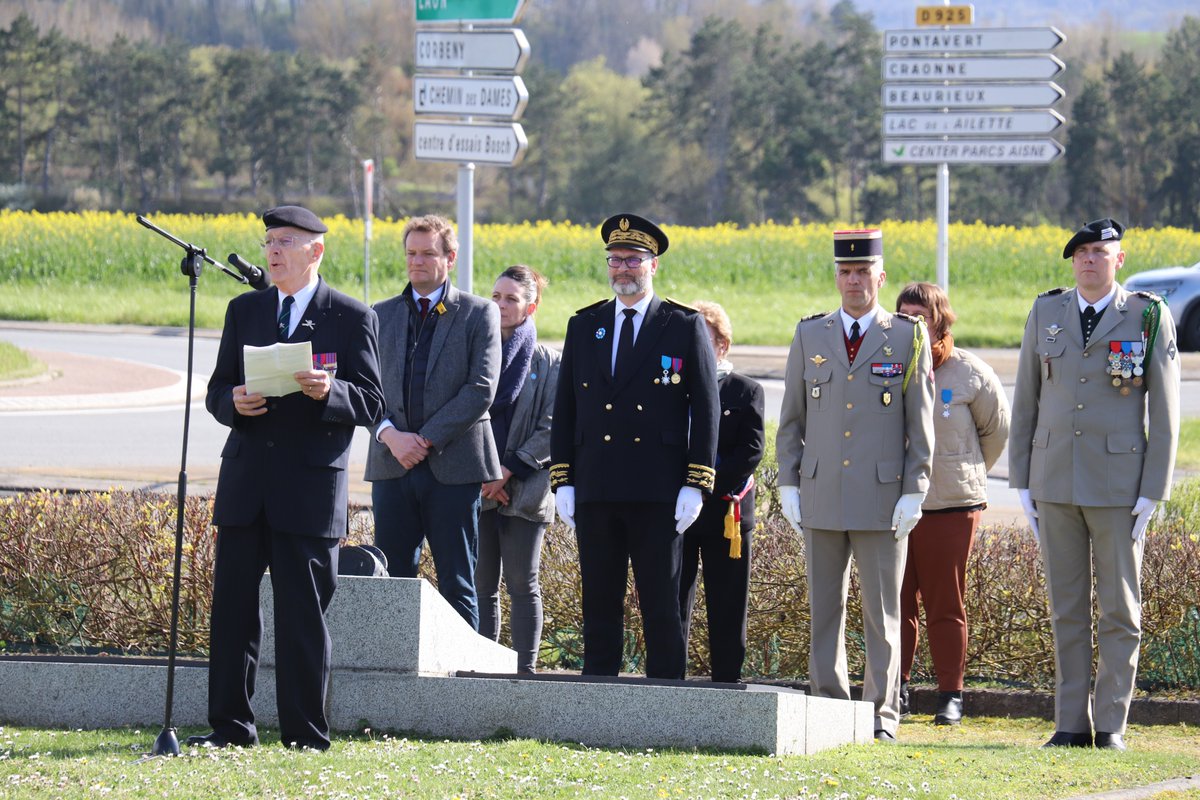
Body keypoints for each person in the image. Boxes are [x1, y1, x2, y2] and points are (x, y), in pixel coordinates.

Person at [195, 205, 385, 750]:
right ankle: (230, 728)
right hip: (246, 485)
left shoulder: (350, 316)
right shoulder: (245, 310)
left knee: (302, 615)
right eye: (269, 241)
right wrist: (231, 402)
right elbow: (216, 389)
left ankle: (305, 734)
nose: (273, 251)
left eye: (285, 242)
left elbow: (373, 402)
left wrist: (331, 391)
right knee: (233, 612)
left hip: (308, 489)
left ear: (315, 251)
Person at [1009, 218, 1180, 751]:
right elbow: (1026, 399)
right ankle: (1069, 723)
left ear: (1119, 259)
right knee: (1065, 607)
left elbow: (1166, 410)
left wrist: (1153, 488)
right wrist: (1022, 479)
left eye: (1099, 252)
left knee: (1119, 609)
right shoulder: (1047, 311)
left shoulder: (1147, 315)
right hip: (1054, 480)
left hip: (1118, 485)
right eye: (1081, 252)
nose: (1088, 260)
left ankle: (1110, 725)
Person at [776, 228, 935, 743]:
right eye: (845, 272)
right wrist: (789, 482)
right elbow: (792, 419)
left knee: (883, 614)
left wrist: (915, 488)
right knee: (825, 610)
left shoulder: (906, 336)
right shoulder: (811, 335)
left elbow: (921, 423)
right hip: (821, 493)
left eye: (863, 271)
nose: (853, 281)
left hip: (882, 498)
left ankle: (880, 715)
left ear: (880, 277)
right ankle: (828, 707)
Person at [550, 212, 719, 680]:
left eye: (632, 260)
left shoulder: (682, 324)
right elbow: (566, 406)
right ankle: (599, 695)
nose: (622, 268)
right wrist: (563, 478)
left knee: (661, 605)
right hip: (597, 485)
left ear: (653, 265)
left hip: (657, 489)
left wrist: (696, 482)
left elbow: (706, 408)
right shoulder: (585, 324)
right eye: (615, 259)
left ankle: (665, 697)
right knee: (599, 602)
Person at [365, 214, 502, 631]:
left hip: (453, 468)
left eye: (427, 253)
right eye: (411, 253)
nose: (417, 261)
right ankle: (393, 665)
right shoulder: (379, 314)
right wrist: (390, 436)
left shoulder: (479, 313)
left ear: (450, 258)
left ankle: (462, 672)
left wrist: (422, 440)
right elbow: (363, 388)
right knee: (391, 584)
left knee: (458, 583)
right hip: (392, 465)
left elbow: (480, 389)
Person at [894, 282, 1010, 726]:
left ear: (939, 319)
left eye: (920, 316)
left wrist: (960, 469)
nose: (912, 324)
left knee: (945, 603)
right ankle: (896, 688)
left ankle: (950, 694)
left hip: (951, 506)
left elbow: (996, 433)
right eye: (904, 316)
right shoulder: (885, 365)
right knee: (896, 602)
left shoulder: (970, 373)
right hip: (894, 503)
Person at [475, 265, 561, 673]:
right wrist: (486, 473)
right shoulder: (476, 353)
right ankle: (479, 667)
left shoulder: (551, 362)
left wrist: (507, 470)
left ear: (532, 306)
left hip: (525, 489)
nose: (501, 305)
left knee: (523, 584)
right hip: (477, 485)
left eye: (511, 298)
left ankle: (525, 671)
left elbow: (553, 426)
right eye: (495, 297)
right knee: (481, 586)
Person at [677, 301, 765, 683]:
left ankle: (727, 682)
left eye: (705, 339)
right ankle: (668, 681)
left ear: (723, 345)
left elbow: (751, 451)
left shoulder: (745, 390)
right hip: (677, 511)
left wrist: (702, 487)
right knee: (673, 601)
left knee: (728, 603)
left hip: (726, 513)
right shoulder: (673, 390)